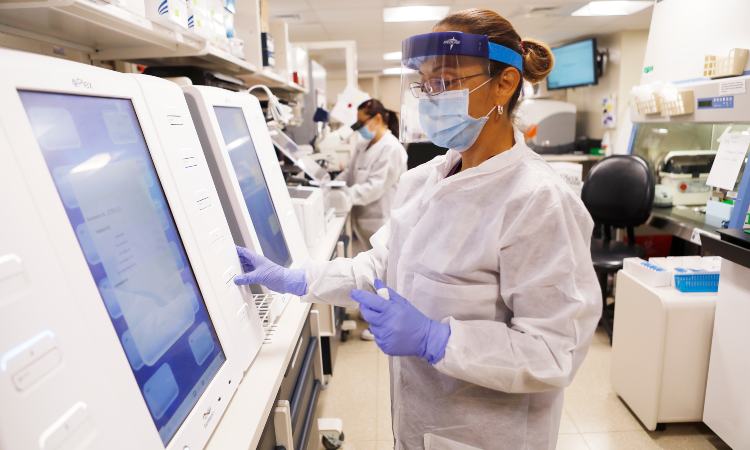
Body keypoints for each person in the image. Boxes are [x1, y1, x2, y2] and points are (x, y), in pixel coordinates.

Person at [234, 8, 601, 450]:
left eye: (446, 81)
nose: (431, 97)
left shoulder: (538, 201)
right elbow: (380, 267)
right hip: (418, 423)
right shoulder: (424, 181)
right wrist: (298, 278)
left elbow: (554, 350)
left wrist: (438, 339)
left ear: (505, 83)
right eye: (425, 84)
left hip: (487, 436)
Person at [341, 98, 407, 250]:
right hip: (362, 221)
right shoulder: (362, 145)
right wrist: (331, 187)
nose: (359, 129)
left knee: (384, 262)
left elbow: (376, 187)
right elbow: (349, 174)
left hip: (381, 222)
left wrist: (345, 196)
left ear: (377, 118)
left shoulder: (392, 148)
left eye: (362, 123)